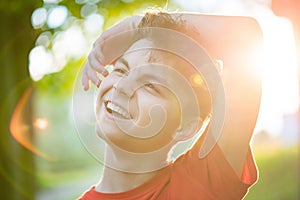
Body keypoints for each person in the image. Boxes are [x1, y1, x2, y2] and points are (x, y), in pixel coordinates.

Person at [79, 10, 263, 200]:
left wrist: (137, 24)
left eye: (149, 85)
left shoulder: (200, 184)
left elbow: (244, 36)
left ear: (186, 125)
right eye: (121, 70)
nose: (121, 87)